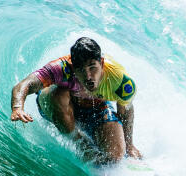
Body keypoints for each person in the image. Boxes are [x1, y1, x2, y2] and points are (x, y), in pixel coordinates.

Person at [10, 37, 142, 164]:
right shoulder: (61, 68)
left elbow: (125, 111)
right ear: (73, 67)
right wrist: (17, 108)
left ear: (101, 63)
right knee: (60, 93)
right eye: (81, 70)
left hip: (94, 107)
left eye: (92, 67)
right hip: (56, 105)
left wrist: (129, 145)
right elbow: (23, 85)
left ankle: (105, 141)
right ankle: (78, 142)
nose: (88, 76)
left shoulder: (120, 81)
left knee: (115, 155)